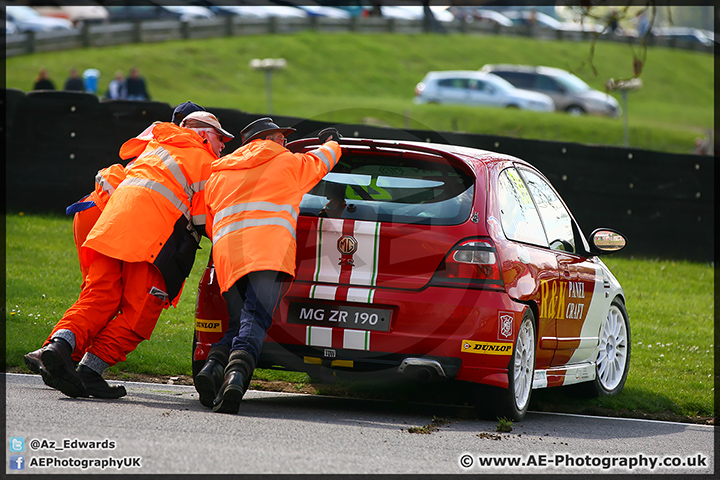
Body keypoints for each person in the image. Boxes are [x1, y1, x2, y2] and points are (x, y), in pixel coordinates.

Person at [26, 111, 233, 400]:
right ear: (201, 134)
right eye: (219, 137)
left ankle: (59, 345)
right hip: (151, 241)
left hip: (110, 226)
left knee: (100, 296)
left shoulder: (153, 147)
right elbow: (203, 218)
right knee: (140, 315)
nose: (222, 145)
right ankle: (90, 371)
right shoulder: (205, 162)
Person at [197, 118, 341, 413]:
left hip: (228, 257)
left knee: (239, 321)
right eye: (281, 138)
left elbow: (209, 222)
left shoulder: (218, 173)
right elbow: (323, 160)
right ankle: (236, 377)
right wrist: (333, 141)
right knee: (256, 317)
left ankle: (212, 367)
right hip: (268, 252)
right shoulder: (288, 163)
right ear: (268, 140)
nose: (285, 143)